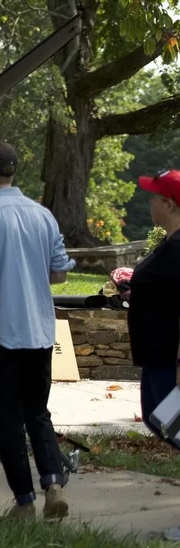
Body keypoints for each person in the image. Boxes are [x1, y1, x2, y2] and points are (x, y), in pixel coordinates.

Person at [0, 140, 74, 519]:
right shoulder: (42, 214)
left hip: (0, 331)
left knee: (6, 419)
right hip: (39, 329)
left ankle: (23, 501)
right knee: (38, 411)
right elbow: (59, 271)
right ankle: (53, 483)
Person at [126, 170, 180, 442]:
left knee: (172, 424)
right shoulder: (168, 243)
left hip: (171, 359)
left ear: (169, 204)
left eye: (154, 198)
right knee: (156, 419)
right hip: (154, 356)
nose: (150, 204)